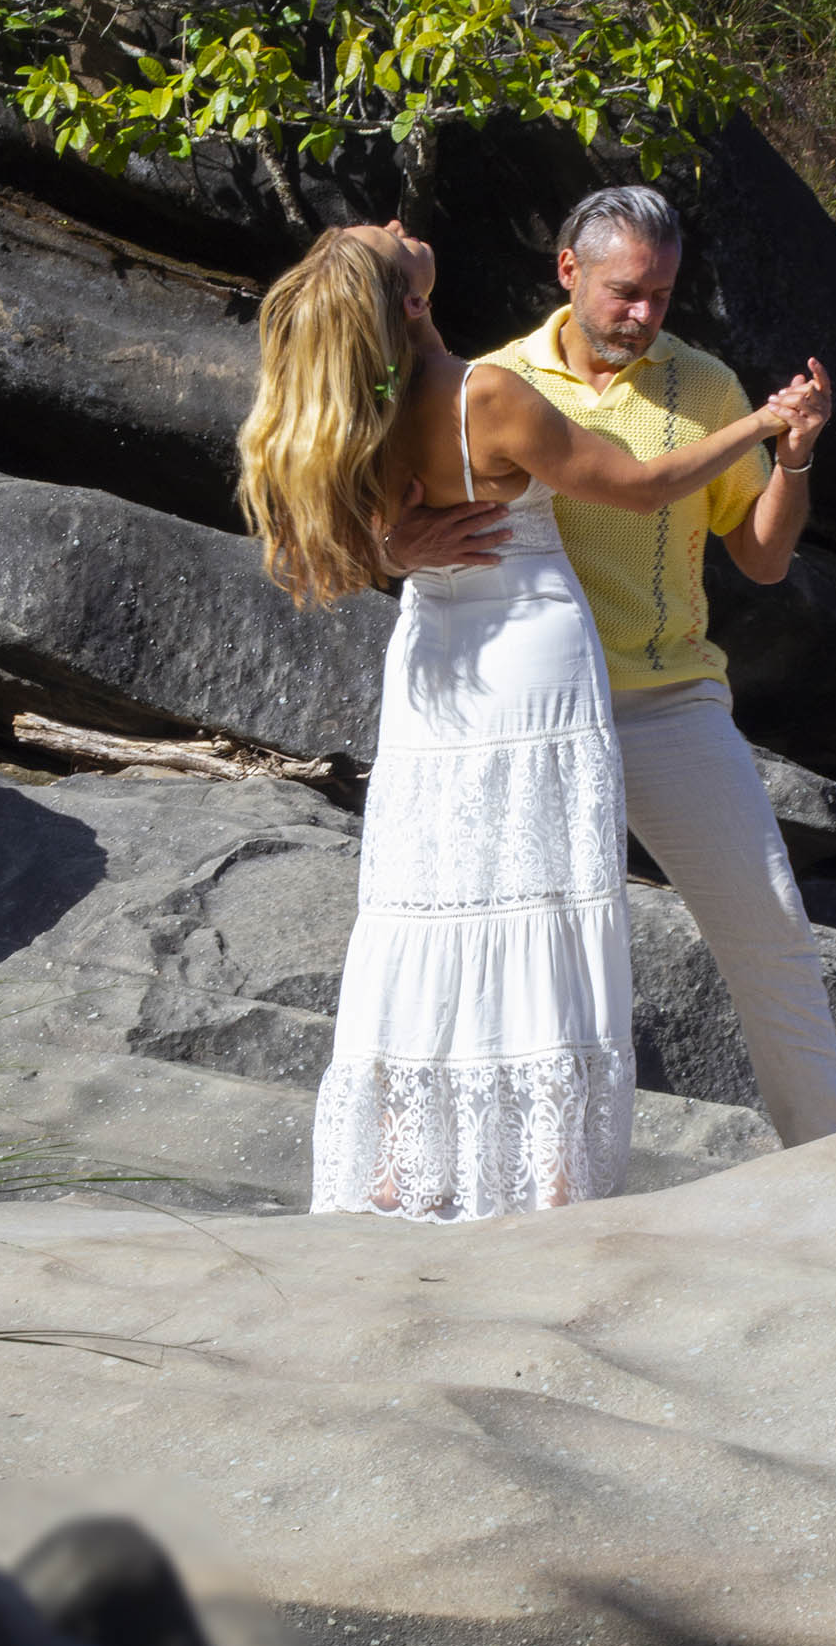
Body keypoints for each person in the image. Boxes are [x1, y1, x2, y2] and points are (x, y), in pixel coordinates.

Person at [237, 220, 794, 1221]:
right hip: (531, 657)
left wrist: (394, 549)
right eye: (381, 235)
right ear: (408, 298)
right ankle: (548, 1181)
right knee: (539, 898)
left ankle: (401, 1172)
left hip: (436, 664)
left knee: (434, 895)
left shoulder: (354, 410)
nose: (395, 222)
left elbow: (323, 558)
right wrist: (759, 429)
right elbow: (640, 487)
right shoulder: (484, 393)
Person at [387, 185, 836, 1150]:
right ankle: (491, 1165)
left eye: (662, 295)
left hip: (666, 702)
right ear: (569, 271)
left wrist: (797, 460)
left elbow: (762, 559)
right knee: (527, 947)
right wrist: (401, 549)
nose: (643, 316)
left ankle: (830, 1150)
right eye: (624, 292)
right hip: (521, 718)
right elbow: (380, 526)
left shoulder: (708, 388)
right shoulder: (496, 379)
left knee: (769, 927)